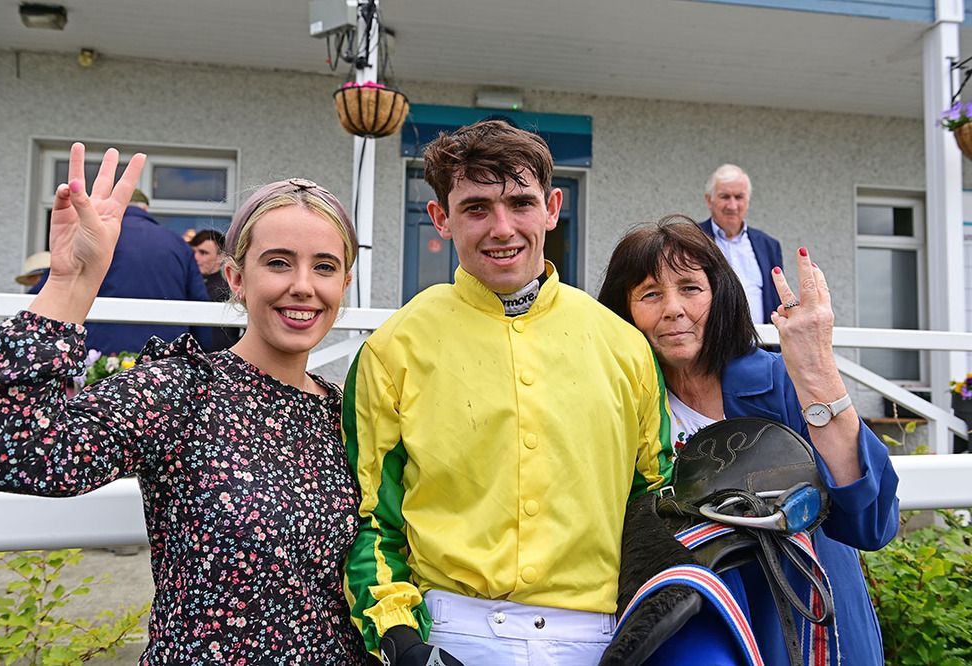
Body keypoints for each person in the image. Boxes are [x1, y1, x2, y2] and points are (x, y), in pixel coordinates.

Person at [0, 143, 370, 664]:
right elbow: (9, 447)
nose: (302, 286)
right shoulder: (182, 391)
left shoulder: (344, 413)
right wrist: (71, 282)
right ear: (235, 278)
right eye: (278, 262)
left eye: (324, 267)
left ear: (343, 283)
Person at [343, 120, 673, 665]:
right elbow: (369, 517)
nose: (502, 228)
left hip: (600, 637)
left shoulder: (625, 346)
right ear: (440, 218)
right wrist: (401, 641)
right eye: (476, 208)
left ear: (552, 207)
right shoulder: (391, 348)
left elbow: (655, 501)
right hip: (449, 635)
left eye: (520, 203)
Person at [597, 215, 899, 665]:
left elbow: (870, 523)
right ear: (624, 312)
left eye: (691, 288)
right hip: (697, 636)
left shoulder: (779, 381)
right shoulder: (622, 403)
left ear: (720, 296)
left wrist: (818, 372)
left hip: (808, 626)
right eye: (650, 294)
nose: (673, 308)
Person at [31, 189, 212, 354]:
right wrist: (204, 354)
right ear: (145, 210)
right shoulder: (178, 244)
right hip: (163, 357)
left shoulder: (92, 237)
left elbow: (48, 292)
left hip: (100, 354)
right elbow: (199, 304)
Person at [700, 164, 783, 324]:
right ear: (709, 200)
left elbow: (776, 299)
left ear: (748, 201)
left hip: (761, 344)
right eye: (725, 197)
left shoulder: (769, 246)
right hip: (711, 345)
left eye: (739, 197)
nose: (732, 206)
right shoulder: (692, 239)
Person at [189, 229, 241, 351]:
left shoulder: (225, 290)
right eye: (192, 252)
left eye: (203, 253)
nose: (195, 258)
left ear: (220, 257)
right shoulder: (189, 285)